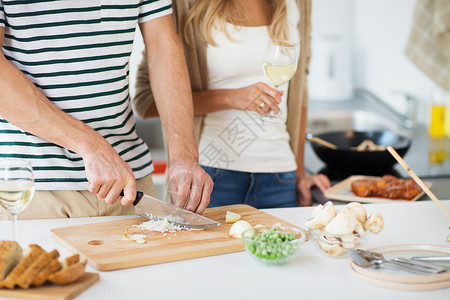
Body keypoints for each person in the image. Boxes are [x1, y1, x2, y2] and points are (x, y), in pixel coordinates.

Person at [0, 0, 212, 219]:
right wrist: (91, 146)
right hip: (31, 187)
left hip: (129, 183)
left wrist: (184, 155)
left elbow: (162, 46)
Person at [134, 0, 330, 208]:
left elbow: (300, 93)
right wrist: (231, 97)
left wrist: (300, 173)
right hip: (210, 178)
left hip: (281, 178)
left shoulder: (300, 4)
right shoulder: (183, 5)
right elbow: (146, 102)